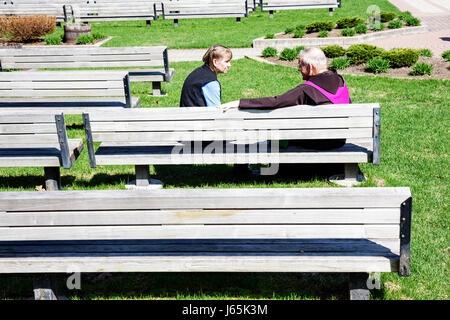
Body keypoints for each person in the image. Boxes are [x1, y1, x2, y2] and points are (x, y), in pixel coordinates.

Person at [219, 47, 351, 150]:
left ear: (310, 67)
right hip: (339, 140)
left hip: (319, 141)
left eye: (300, 65)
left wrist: (240, 102)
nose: (299, 69)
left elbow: (275, 102)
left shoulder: (306, 90)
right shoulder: (341, 81)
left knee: (279, 137)